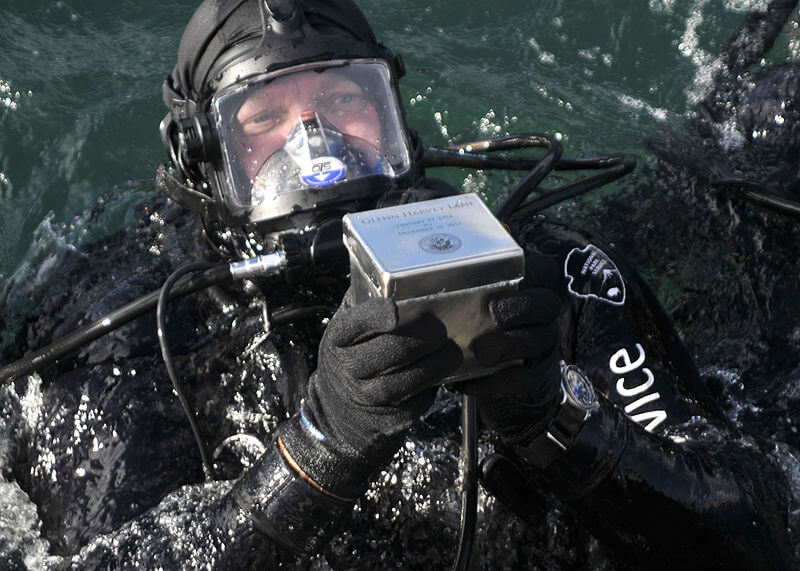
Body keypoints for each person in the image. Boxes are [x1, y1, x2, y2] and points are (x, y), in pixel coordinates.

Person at [0, 0, 797, 568]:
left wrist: (555, 418)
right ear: (203, 158)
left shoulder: (541, 270)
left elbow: (762, 528)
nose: (314, 147)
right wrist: (325, 442)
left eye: (345, 100)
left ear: (397, 121)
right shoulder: (125, 337)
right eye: (264, 119)